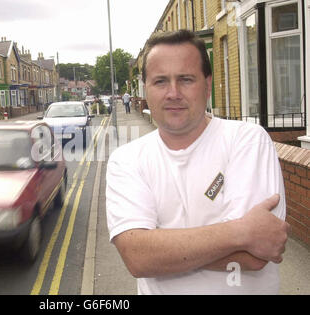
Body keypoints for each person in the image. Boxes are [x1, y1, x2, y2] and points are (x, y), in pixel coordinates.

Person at [106, 30, 290, 295]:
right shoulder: (126, 160)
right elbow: (138, 257)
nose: (173, 93)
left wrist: (161, 250)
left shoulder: (247, 140)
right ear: (145, 88)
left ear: (207, 83)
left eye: (186, 79)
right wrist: (241, 231)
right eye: (160, 81)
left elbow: (256, 255)